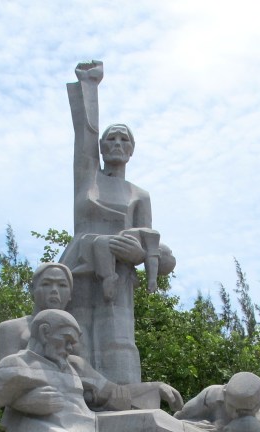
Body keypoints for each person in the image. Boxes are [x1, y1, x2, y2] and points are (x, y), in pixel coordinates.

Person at [0, 311, 260, 432]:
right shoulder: (17, 366)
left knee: (156, 419)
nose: (73, 347)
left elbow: (114, 394)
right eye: (67, 338)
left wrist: (153, 388)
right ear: (44, 332)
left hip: (95, 427)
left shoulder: (71, 367)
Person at [59, 60, 176, 385]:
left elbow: (147, 243)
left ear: (132, 150)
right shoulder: (87, 179)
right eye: (111, 139)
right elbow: (84, 133)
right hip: (81, 268)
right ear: (102, 146)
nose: (117, 144)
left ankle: (123, 400)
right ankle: (77, 397)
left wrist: (137, 255)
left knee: (117, 340)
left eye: (124, 140)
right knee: (77, 338)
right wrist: (90, 86)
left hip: (118, 279)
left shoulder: (139, 195)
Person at [0, 262, 180, 411]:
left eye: (62, 285)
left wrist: (154, 388)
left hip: (76, 415)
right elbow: (2, 384)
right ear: (32, 289)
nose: (54, 290)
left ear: (70, 295)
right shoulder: (11, 328)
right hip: (30, 419)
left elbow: (105, 388)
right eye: (46, 283)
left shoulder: (75, 338)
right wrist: (29, 401)